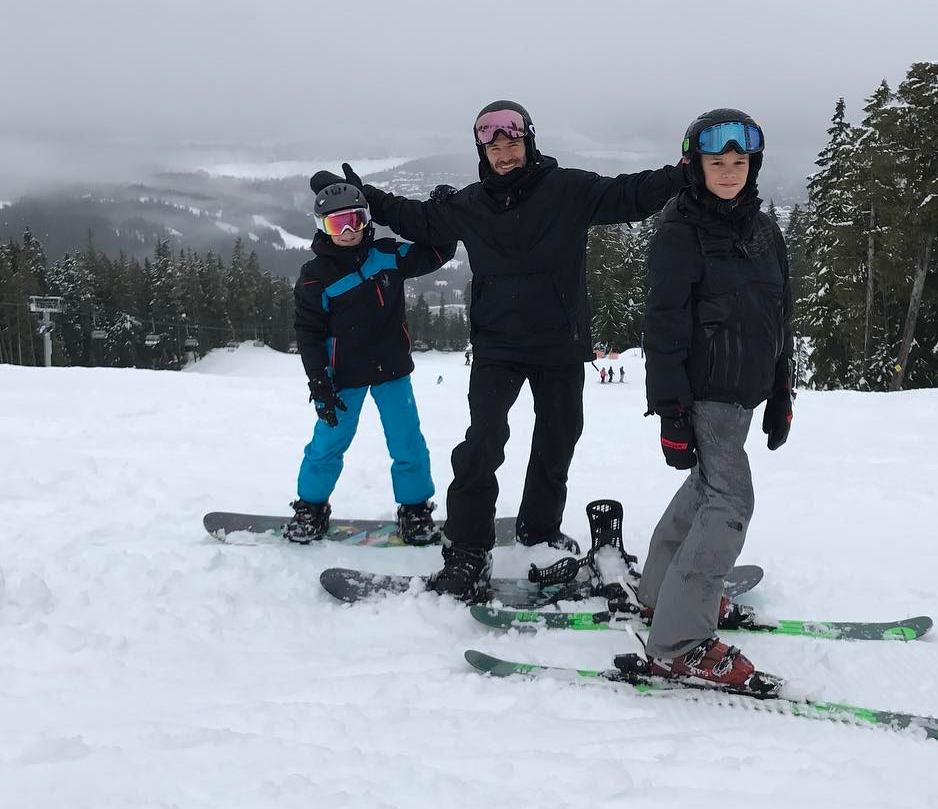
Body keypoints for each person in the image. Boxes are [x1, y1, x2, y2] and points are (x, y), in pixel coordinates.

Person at [341, 99, 692, 601]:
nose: (504, 154)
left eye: (512, 143)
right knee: (482, 446)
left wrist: (679, 175)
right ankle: (467, 551)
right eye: (494, 147)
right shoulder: (470, 204)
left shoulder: (567, 189)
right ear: (482, 152)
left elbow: (629, 195)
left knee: (557, 441)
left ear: (529, 142)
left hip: (559, 345)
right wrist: (367, 197)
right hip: (498, 347)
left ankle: (540, 528)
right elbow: (416, 219)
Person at [637, 108, 793, 689]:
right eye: (716, 161)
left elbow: (779, 315)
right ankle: (679, 642)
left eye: (739, 161)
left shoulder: (763, 230)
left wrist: (781, 391)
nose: (729, 172)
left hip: (744, 395)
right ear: (695, 166)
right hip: (703, 394)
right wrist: (672, 413)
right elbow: (663, 327)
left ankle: (661, 596)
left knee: (706, 489)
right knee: (730, 503)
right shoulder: (680, 231)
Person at [287, 176, 458, 545]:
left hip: (391, 369)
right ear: (322, 227)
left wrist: (445, 215)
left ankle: (414, 509)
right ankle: (310, 507)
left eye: (355, 220)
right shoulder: (315, 277)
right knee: (328, 444)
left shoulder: (386, 255)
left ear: (367, 219)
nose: (349, 232)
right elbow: (309, 333)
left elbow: (439, 252)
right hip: (342, 377)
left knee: (407, 441)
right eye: (338, 224)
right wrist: (319, 381)